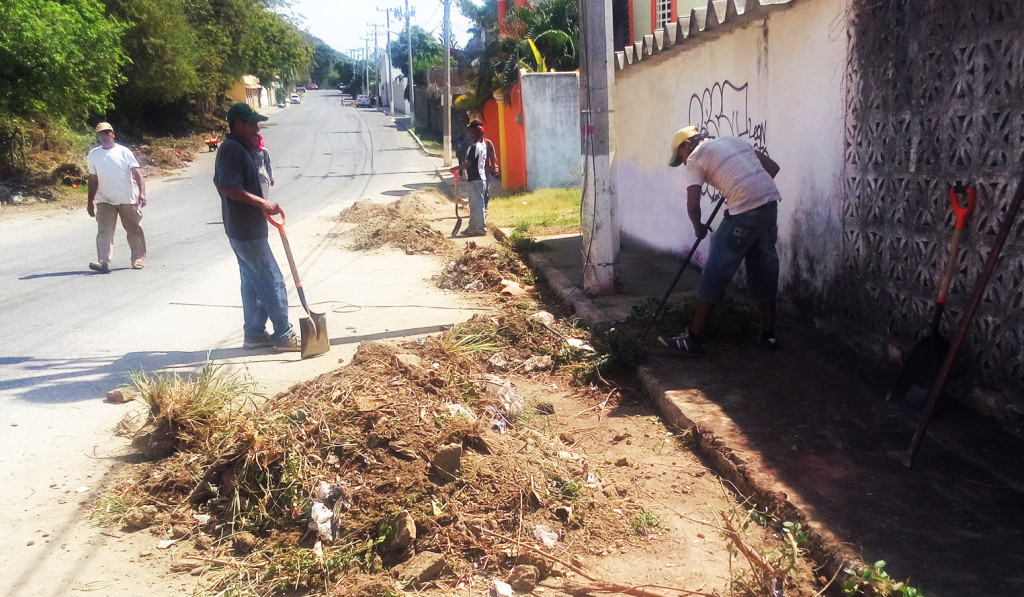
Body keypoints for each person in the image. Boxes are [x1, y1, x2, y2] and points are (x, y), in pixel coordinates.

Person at [658, 125, 782, 356]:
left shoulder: (696, 157)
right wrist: (741, 186)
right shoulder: (734, 141)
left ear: (687, 145)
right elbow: (772, 169)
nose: (684, 162)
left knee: (715, 269)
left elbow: (693, 205)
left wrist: (698, 228)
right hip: (769, 205)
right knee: (764, 268)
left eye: (681, 156)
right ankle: (769, 335)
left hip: (744, 212)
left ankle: (694, 339)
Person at [213, 102, 299, 352]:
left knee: (252, 282)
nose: (257, 128)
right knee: (271, 280)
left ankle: (254, 333)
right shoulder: (232, 149)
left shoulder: (239, 148)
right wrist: (263, 202)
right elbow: (228, 187)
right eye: (252, 123)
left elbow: (223, 184)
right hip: (245, 230)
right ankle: (284, 334)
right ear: (238, 124)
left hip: (244, 228)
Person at [86, 122, 147, 273]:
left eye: (106, 133)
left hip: (127, 198)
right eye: (100, 134)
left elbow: (137, 173)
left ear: (112, 134)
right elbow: (93, 180)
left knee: (134, 229)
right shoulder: (94, 155)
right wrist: (89, 202)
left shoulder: (124, 152)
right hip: (105, 199)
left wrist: (142, 193)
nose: (103, 136)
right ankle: (104, 262)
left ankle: (137, 258)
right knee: (104, 231)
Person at [449, 121, 489, 237]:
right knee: (474, 204)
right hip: (479, 179)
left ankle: (481, 228)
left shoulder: (474, 147)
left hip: (476, 179)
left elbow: (468, 164)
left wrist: (455, 168)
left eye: (470, 132)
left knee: (478, 205)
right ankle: (472, 227)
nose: (468, 134)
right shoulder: (483, 145)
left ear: (476, 133)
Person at [253, 134, 274, 199]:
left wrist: (271, 177)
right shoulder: (248, 151)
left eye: (257, 140)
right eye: (253, 140)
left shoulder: (264, 151)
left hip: (263, 178)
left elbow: (268, 164)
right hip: (252, 179)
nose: (255, 142)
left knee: (264, 198)